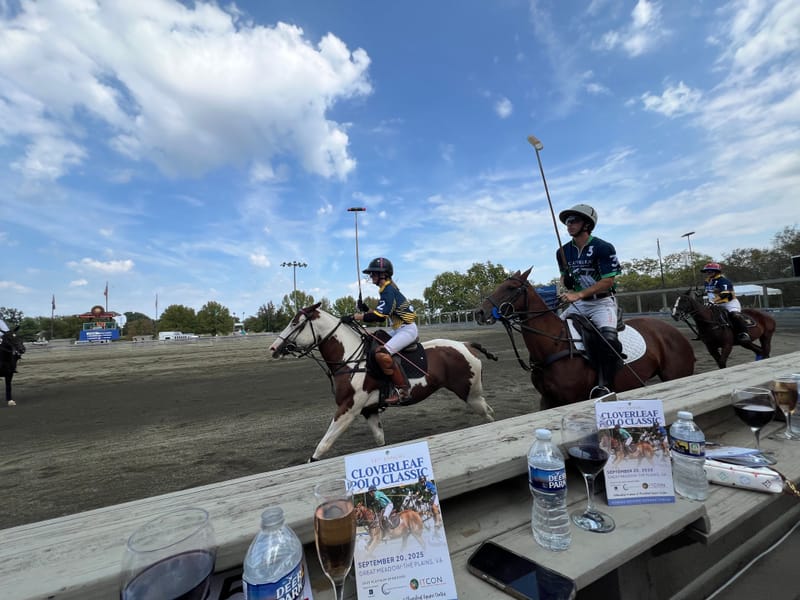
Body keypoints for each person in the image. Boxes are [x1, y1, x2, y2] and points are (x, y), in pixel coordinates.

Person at [555, 204, 623, 395]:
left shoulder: (603, 247)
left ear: (587, 224)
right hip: (579, 305)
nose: (569, 225)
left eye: (573, 221)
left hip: (602, 303)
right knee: (553, 333)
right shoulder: (562, 252)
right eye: (567, 222)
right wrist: (566, 283)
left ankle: (605, 384)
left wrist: (578, 294)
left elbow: (608, 281)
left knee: (609, 340)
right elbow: (564, 277)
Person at [351, 257, 418, 405]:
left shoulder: (388, 290)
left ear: (383, 274)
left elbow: (380, 317)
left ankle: (403, 391)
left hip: (407, 330)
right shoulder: (385, 290)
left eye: (373, 273)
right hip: (399, 329)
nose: (371, 276)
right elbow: (379, 313)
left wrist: (355, 317)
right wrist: (365, 309)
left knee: (382, 354)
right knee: (374, 338)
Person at [701, 262, 750, 342]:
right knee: (705, 315)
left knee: (735, 316)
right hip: (715, 304)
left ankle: (744, 334)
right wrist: (702, 293)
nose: (708, 272)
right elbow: (711, 292)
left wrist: (713, 301)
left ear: (717, 272)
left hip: (729, 303)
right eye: (707, 271)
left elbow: (725, 294)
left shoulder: (723, 281)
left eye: (711, 271)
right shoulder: (707, 281)